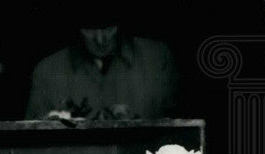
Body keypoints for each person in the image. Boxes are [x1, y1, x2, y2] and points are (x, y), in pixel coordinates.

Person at [25, 9, 179, 120]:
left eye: (108, 28)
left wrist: (137, 125)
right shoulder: (47, 71)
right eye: (89, 30)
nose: (100, 40)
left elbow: (180, 130)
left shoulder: (156, 60)